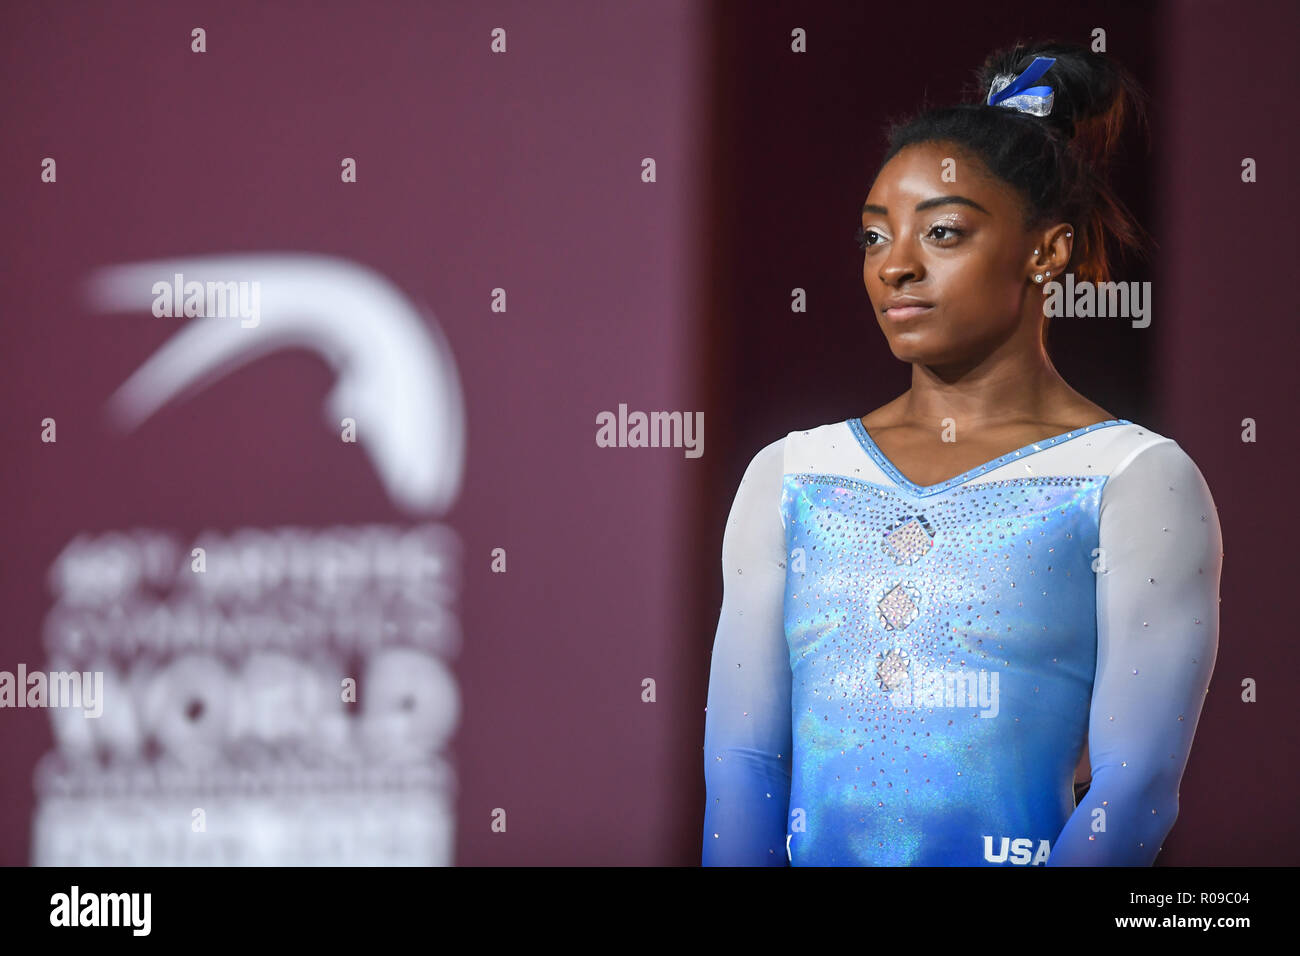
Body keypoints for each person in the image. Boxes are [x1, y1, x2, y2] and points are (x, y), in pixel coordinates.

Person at [701, 41, 1222, 866]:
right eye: (874, 239)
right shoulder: (792, 474)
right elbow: (742, 765)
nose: (897, 266)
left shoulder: (1130, 479)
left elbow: (1137, 786)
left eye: (943, 232)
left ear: (1045, 252)